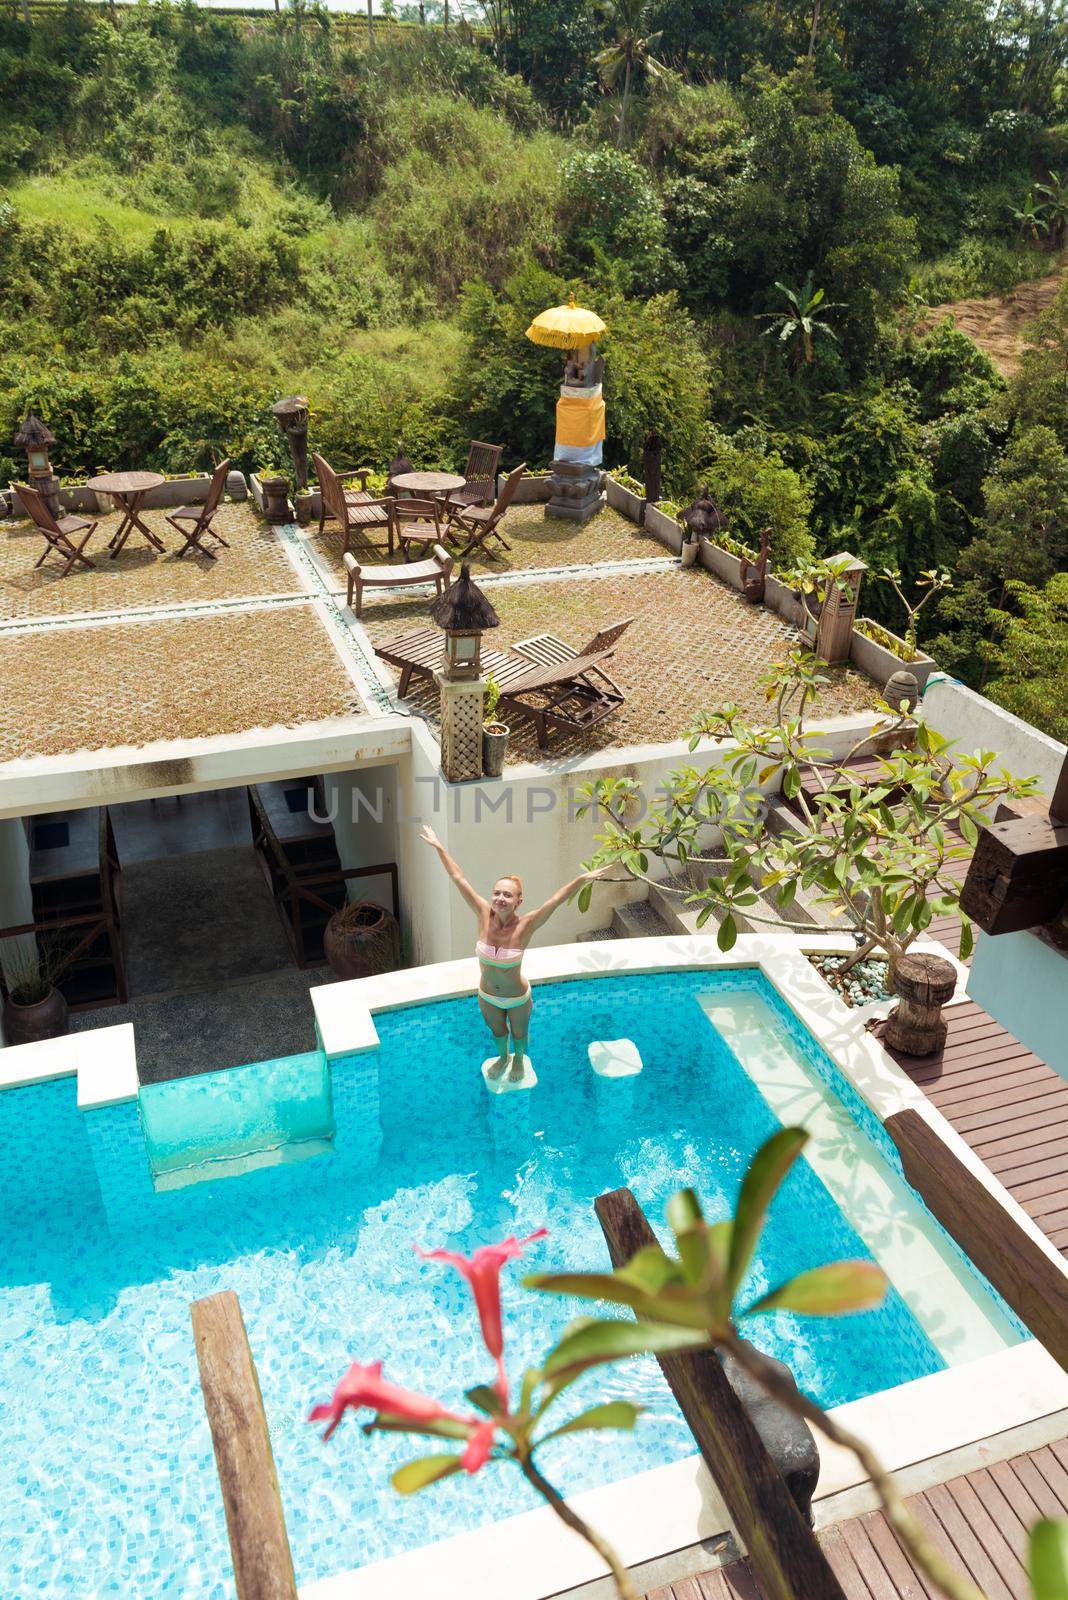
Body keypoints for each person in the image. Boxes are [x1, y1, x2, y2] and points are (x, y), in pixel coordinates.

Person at [420, 824, 610, 1082]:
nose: (500, 898)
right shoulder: (482, 914)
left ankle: (518, 1059)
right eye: (497, 893)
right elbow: (459, 878)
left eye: (507, 895)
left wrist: (580, 880)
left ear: (518, 901)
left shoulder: (526, 925)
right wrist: (439, 847)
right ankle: (503, 1057)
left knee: (519, 1035)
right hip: (487, 995)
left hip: (517, 997)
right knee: (498, 1032)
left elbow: (554, 900)